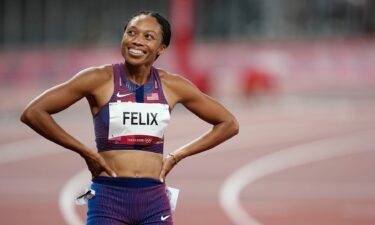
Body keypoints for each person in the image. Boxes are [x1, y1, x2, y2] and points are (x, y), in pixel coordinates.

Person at [20, 11, 239, 225]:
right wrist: (85, 152)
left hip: (154, 200)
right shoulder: (97, 78)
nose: (137, 41)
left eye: (148, 36)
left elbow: (228, 124)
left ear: (161, 48)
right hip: (108, 197)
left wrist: (176, 156)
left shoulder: (172, 85)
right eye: (131, 33)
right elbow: (34, 113)